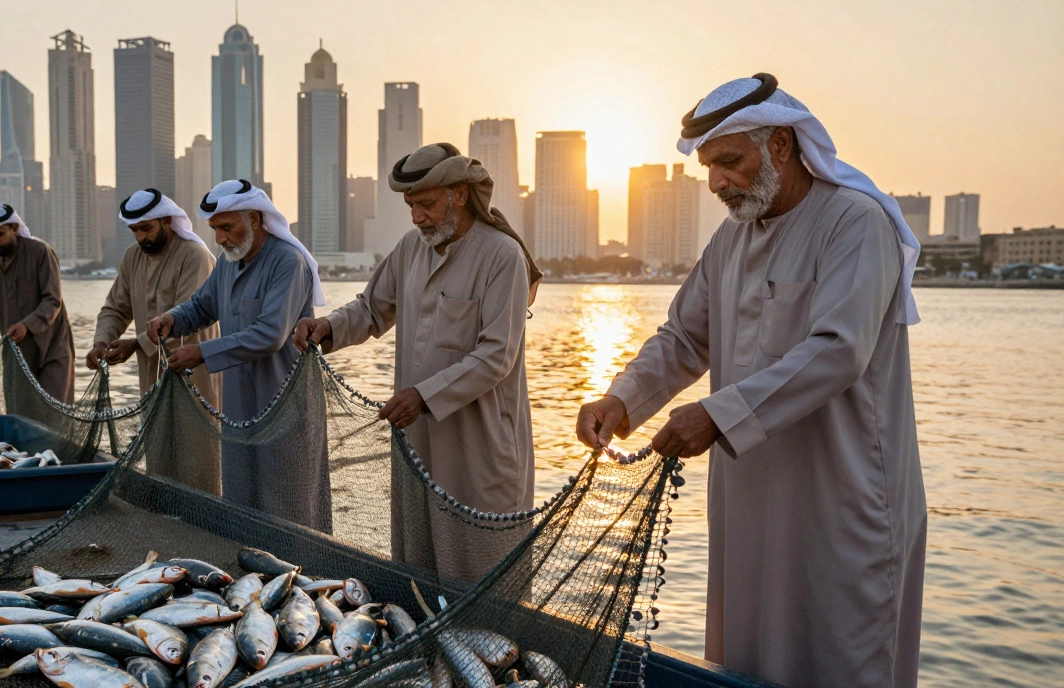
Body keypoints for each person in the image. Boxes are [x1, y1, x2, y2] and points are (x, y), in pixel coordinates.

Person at [575, 74, 926, 688]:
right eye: (709, 166)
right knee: (745, 662)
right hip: (748, 501)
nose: (716, 183)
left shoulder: (855, 223)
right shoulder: (731, 237)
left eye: (729, 162)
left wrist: (716, 415)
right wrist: (621, 398)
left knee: (843, 661)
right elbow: (685, 337)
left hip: (841, 501)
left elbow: (837, 351)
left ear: (783, 147)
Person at [293, 143, 543, 582]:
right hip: (417, 440)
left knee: (483, 570)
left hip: (480, 445)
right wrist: (327, 328)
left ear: (460, 195)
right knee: (417, 564)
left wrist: (423, 397)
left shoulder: (502, 255)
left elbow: (495, 355)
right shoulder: (411, 248)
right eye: (411, 205)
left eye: (425, 204)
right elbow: (370, 309)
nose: (416, 217)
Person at [147, 179, 329, 530]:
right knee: (241, 497)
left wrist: (202, 352)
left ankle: (303, 580)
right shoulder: (228, 262)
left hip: (284, 402)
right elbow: (203, 305)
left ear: (256, 220)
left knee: (289, 503)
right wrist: (171, 318)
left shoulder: (288, 262)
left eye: (227, 227)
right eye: (215, 229)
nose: (220, 238)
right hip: (238, 403)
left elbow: (270, 334)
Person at [88, 189, 221, 489]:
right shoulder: (133, 257)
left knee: (198, 457)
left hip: (193, 372)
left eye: (146, 228)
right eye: (134, 230)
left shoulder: (193, 255)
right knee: (158, 455)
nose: (140, 237)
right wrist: (101, 341)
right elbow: (115, 307)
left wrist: (134, 344)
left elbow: (187, 319)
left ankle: (201, 531)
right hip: (151, 374)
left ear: (166, 221)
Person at [0, 203, 75, 405]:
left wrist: (26, 325)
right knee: (20, 414)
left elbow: (52, 300)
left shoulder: (40, 252)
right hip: (16, 353)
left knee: (55, 414)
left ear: (14, 228)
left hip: (53, 350)